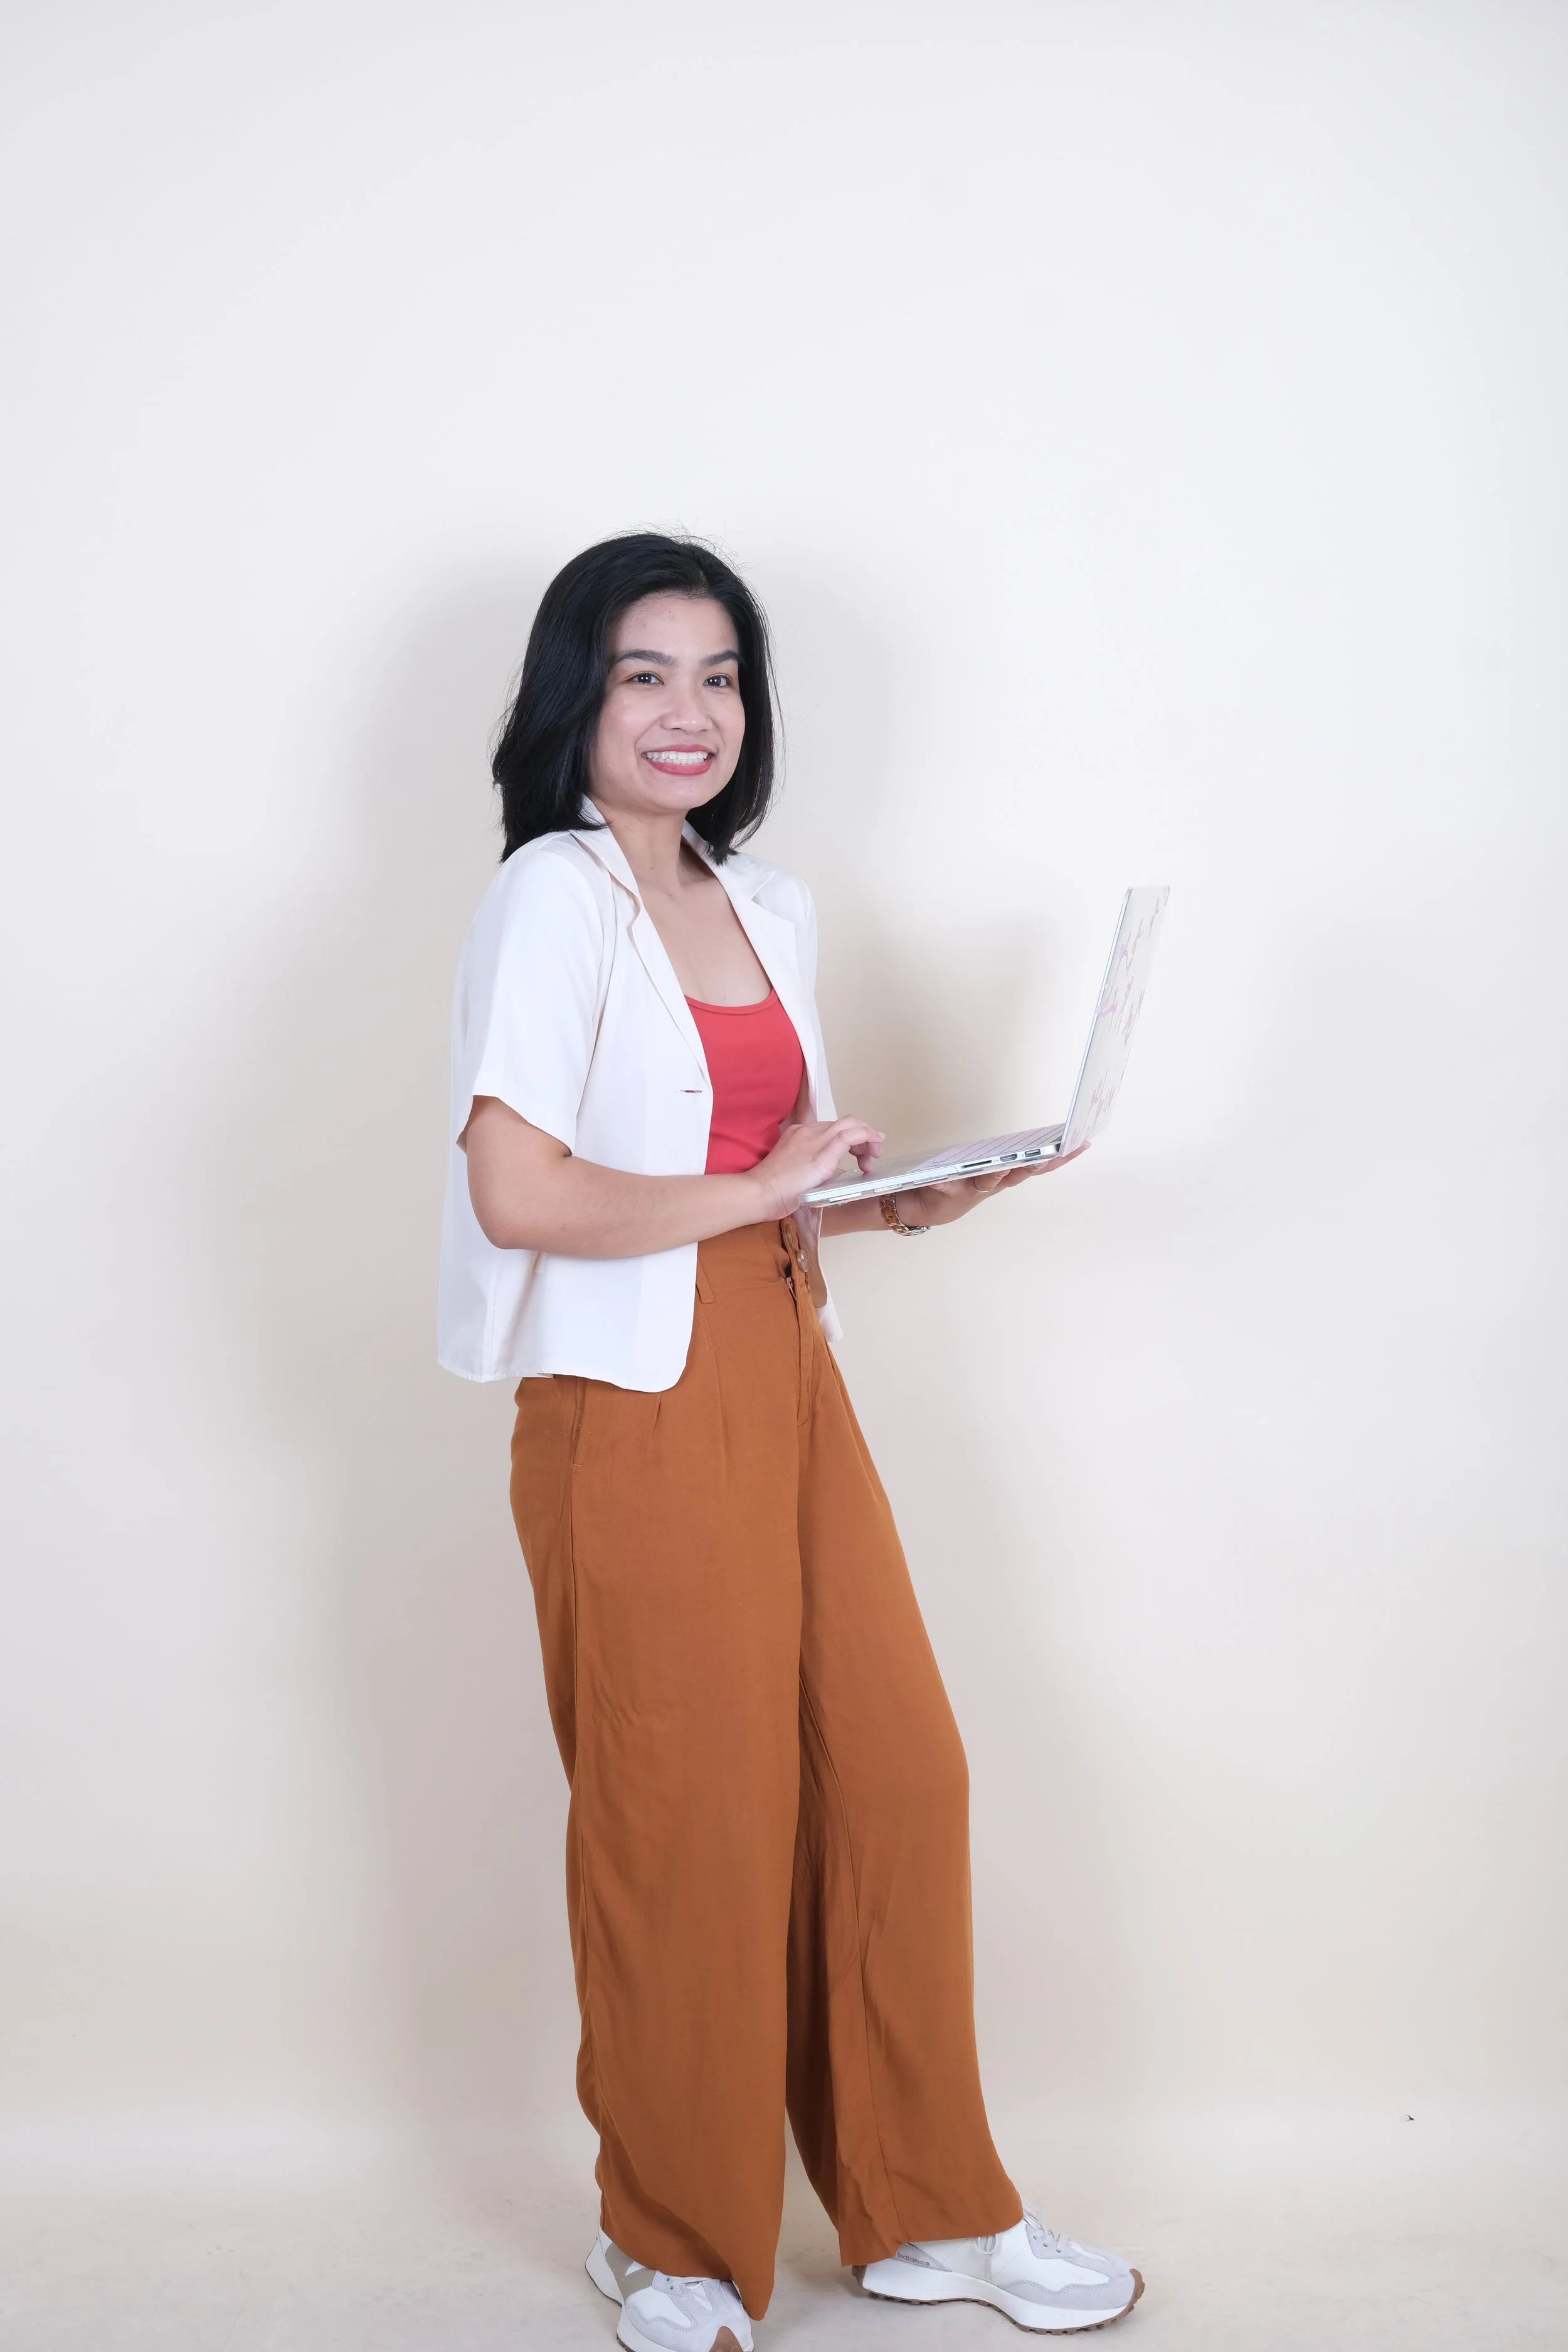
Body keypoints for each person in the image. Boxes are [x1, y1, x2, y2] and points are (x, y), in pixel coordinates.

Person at [438, 534, 1143, 2351]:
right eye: (644, 673)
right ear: (576, 697)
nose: (689, 711)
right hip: (632, 1404)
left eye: (721, 675)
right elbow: (519, 1191)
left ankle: (923, 2210)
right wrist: (756, 1190)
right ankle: (668, 2238)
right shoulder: (551, 897)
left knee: (895, 1775)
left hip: (789, 1363)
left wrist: (904, 1197)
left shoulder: (770, 905)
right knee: (690, 1817)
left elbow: (768, 1182)